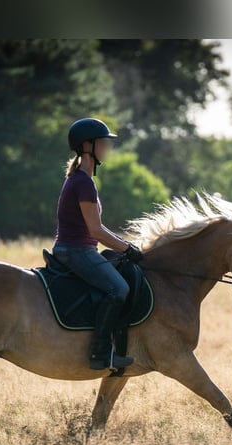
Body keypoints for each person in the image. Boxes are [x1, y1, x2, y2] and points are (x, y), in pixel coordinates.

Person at [52, 118, 144, 371]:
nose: (107, 147)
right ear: (87, 146)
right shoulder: (84, 183)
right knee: (119, 289)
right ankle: (100, 354)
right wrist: (127, 248)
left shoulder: (81, 180)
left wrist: (126, 244)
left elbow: (96, 229)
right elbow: (95, 230)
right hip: (76, 250)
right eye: (103, 143)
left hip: (77, 248)